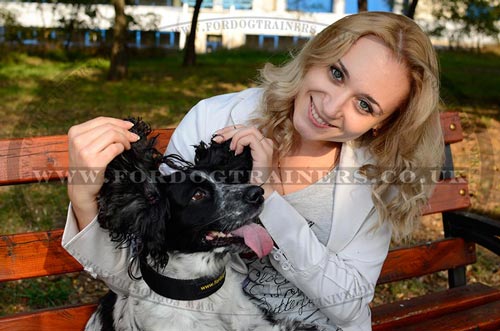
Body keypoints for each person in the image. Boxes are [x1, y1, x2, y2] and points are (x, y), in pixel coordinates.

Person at [63, 11, 443, 331]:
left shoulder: (379, 175)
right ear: (315, 57)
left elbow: (348, 303)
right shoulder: (214, 119)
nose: (331, 107)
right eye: (337, 74)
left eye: (364, 105)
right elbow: (144, 267)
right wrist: (82, 196)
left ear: (382, 123)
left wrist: (268, 196)